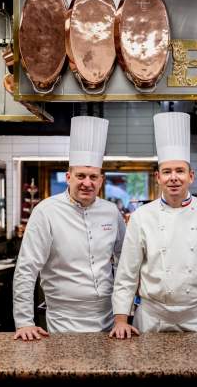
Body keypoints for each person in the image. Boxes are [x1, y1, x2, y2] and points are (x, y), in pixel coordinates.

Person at [110, 111, 197, 340]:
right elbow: (127, 272)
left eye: (179, 171)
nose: (173, 177)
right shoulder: (142, 216)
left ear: (191, 176)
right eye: (167, 172)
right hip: (151, 317)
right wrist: (121, 319)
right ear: (158, 177)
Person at [13, 116, 125, 340]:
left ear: (101, 180)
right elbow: (27, 268)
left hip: (109, 318)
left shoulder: (111, 212)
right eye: (80, 176)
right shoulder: (46, 211)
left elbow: (125, 261)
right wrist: (24, 322)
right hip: (64, 319)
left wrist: (124, 312)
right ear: (68, 177)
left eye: (93, 176)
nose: (87, 182)